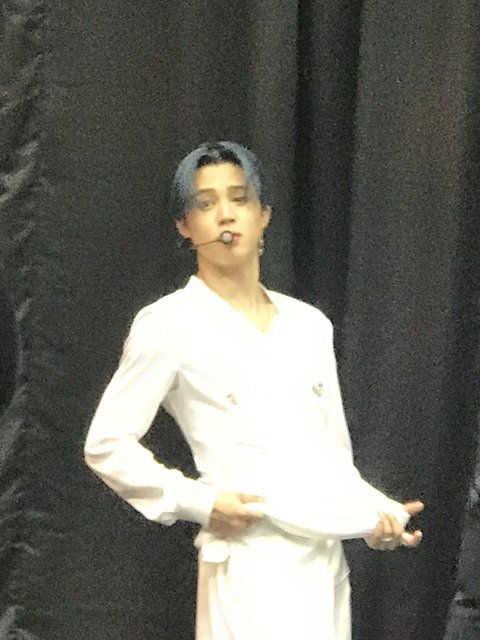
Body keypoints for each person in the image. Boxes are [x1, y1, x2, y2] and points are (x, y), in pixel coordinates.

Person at [84, 141, 423, 640]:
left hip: (323, 563)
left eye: (240, 199)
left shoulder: (309, 325)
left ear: (264, 215)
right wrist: (200, 501)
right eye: (205, 203)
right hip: (248, 563)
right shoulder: (170, 324)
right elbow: (107, 444)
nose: (226, 215)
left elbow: (331, 456)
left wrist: (377, 514)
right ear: (184, 225)